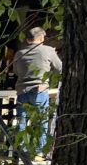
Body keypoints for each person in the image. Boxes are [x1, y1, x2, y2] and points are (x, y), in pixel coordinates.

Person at [13, 27, 62, 156]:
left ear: (28, 39)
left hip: (22, 90)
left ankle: (20, 151)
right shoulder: (48, 50)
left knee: (22, 122)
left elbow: (16, 71)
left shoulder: (19, 53)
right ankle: (39, 151)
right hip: (39, 90)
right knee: (41, 123)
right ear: (41, 38)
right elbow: (60, 68)